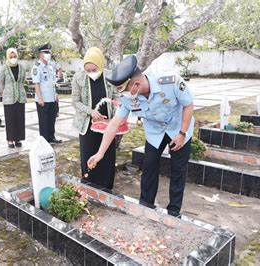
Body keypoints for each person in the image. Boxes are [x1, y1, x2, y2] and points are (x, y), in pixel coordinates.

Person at [87, 55, 195, 218]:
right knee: (149, 167)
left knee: (178, 170)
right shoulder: (128, 98)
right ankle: (146, 206)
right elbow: (114, 124)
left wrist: (182, 134)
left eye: (124, 90)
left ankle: (174, 212)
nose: (123, 94)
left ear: (136, 85)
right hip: (155, 133)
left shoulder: (170, 82)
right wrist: (100, 153)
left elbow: (188, 104)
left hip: (178, 129)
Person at [71, 47, 119, 190]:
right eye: (88, 70)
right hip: (88, 125)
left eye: (94, 69)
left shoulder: (111, 76)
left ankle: (106, 188)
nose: (91, 73)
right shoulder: (78, 77)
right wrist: (91, 111)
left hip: (107, 125)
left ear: (100, 65)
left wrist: (114, 116)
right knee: (89, 155)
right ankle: (89, 188)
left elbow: (116, 96)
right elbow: (75, 101)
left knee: (107, 157)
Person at [31, 43, 61, 144]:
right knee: (43, 121)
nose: (48, 54)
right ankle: (44, 140)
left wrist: (56, 94)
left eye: (49, 52)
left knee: (52, 119)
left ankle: (51, 137)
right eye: (46, 52)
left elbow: (53, 82)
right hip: (43, 98)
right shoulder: (36, 67)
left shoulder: (50, 65)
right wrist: (40, 98)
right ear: (40, 54)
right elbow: (36, 84)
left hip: (52, 97)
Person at [0, 48, 27, 148]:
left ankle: (18, 139)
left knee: (19, 119)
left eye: (14, 56)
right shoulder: (3, 68)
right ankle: (10, 139)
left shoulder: (22, 68)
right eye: (11, 57)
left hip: (20, 97)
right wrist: (5, 92)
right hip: (8, 98)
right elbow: (1, 83)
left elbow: (22, 80)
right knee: (10, 120)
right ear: (7, 57)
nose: (13, 58)